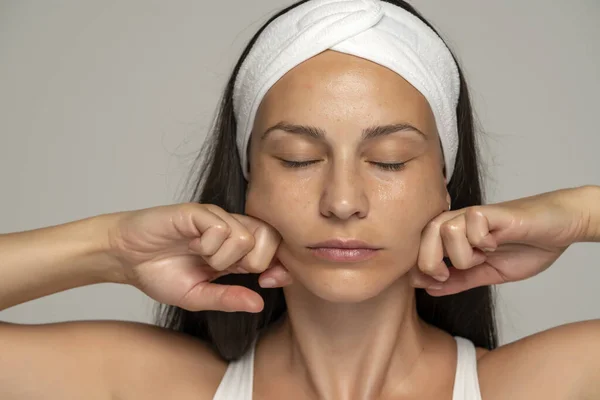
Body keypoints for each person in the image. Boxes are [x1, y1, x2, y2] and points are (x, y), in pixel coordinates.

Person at [0, 0, 599, 399]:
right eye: (298, 159)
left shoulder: (541, 384)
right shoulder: (153, 385)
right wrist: (112, 251)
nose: (342, 201)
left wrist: (577, 216)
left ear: (444, 181)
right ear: (248, 180)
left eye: (389, 159)